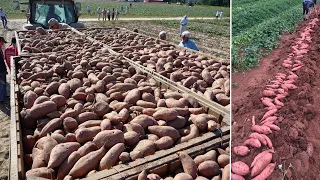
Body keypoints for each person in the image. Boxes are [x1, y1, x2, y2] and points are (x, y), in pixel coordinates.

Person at [0, 36, 7, 103]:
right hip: (0, 72)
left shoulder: (0, 50)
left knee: (4, 84)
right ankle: (1, 99)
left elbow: (2, 61)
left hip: (3, 70)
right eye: (2, 43)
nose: (3, 44)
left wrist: (5, 69)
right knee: (1, 85)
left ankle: (4, 96)